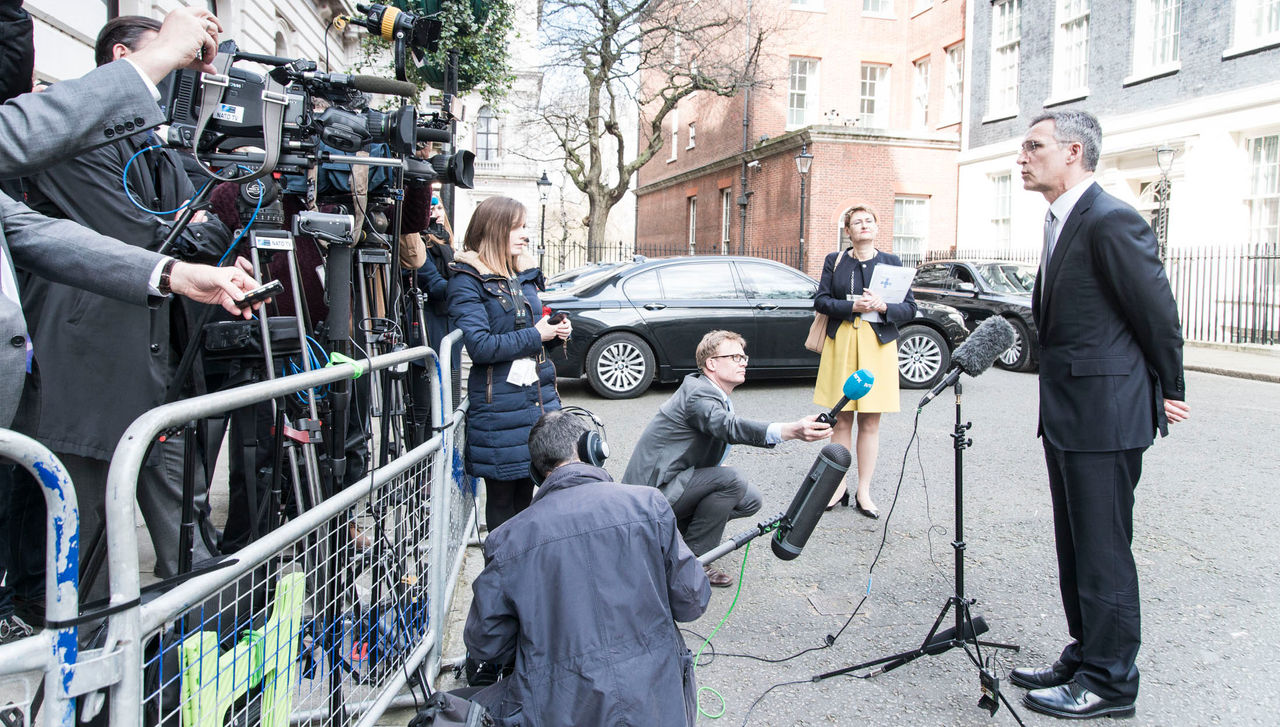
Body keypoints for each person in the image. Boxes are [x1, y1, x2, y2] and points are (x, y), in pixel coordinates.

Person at [11, 14, 232, 584]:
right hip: (91, 366)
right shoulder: (73, 138)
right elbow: (139, 232)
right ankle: (80, 664)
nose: (184, 68)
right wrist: (185, 241)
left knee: (186, 531)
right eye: (170, 54)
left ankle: (193, 645)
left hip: (162, 361)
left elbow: (202, 231)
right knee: (87, 551)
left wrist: (185, 258)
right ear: (119, 58)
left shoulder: (155, 145)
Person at [1010, 110, 1188, 720]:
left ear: (1073, 152)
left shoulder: (1112, 218)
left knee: (1105, 551)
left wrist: (1171, 385)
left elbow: (1156, 312)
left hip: (1106, 417)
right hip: (1068, 415)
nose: (1022, 156)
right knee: (1076, 548)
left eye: (1034, 145)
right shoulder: (1060, 218)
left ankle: (1111, 683)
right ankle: (1086, 654)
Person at [463, 410, 711, 726]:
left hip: (559, 710)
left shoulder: (506, 540)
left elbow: (485, 645)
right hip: (659, 703)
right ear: (594, 449)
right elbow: (692, 601)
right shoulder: (650, 505)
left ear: (537, 474)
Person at [622, 330, 831, 587]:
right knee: (732, 480)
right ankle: (693, 562)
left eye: (744, 357)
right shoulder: (699, 394)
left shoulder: (710, 391)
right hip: (649, 496)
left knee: (749, 499)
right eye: (735, 357)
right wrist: (790, 430)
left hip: (668, 484)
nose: (744, 362)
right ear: (711, 363)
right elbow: (728, 427)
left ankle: (673, 544)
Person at [448, 196, 569, 532]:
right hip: (499, 407)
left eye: (525, 226)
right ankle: (501, 579)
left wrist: (555, 333)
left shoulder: (523, 274)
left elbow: (531, 335)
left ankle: (524, 575)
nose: (524, 234)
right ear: (495, 229)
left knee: (529, 497)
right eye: (517, 226)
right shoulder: (467, 279)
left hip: (538, 400)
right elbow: (482, 346)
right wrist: (536, 335)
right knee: (503, 503)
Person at [812, 205, 918, 516]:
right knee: (841, 418)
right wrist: (852, 306)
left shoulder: (892, 262)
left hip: (877, 344)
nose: (863, 226)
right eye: (857, 222)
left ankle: (864, 491)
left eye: (869, 221)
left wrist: (884, 306)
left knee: (870, 421)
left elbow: (910, 308)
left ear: (876, 227)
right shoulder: (836, 261)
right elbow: (820, 300)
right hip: (842, 342)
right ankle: (838, 486)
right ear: (848, 231)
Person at [406, 193, 459, 439]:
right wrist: (466, 283)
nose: (435, 212)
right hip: (426, 329)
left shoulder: (450, 246)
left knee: (449, 404)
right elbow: (435, 285)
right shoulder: (418, 246)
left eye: (438, 207)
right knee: (423, 410)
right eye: (430, 207)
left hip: (448, 330)